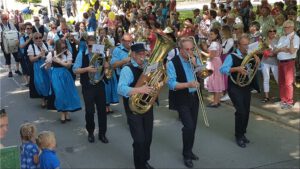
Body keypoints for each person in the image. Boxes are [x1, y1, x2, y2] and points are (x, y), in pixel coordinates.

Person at [118, 43, 155, 169]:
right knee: (139, 140)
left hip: (147, 107)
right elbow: (121, 88)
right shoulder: (127, 69)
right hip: (133, 110)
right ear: (133, 54)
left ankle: (144, 160)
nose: (143, 57)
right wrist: (140, 90)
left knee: (148, 138)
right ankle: (139, 165)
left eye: (144, 54)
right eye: (140, 54)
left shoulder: (147, 67)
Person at [220, 34, 259, 148]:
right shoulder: (232, 56)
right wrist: (236, 69)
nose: (247, 47)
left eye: (248, 44)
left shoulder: (250, 55)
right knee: (241, 111)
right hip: (235, 87)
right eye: (245, 45)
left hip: (246, 86)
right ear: (238, 45)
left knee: (246, 111)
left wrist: (256, 61)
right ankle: (238, 136)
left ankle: (242, 133)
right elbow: (222, 69)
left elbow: (253, 70)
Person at [167, 37, 201, 168]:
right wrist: (188, 84)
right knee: (189, 127)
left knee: (193, 126)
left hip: (195, 96)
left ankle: (189, 150)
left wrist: (197, 65)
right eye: (187, 50)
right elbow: (171, 84)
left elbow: (203, 74)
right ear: (180, 50)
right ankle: (186, 155)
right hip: (182, 98)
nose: (189, 52)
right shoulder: (172, 63)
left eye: (191, 49)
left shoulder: (195, 59)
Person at [73, 36, 109, 143]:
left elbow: (105, 66)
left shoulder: (100, 53)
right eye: (89, 46)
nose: (92, 48)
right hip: (88, 86)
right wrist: (87, 69)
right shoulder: (81, 54)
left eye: (94, 46)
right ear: (86, 45)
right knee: (89, 111)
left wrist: (106, 65)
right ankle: (90, 132)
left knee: (102, 111)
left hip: (99, 84)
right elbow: (75, 70)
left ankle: (102, 134)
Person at [48, 39, 81, 123]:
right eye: (62, 47)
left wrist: (59, 61)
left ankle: (66, 113)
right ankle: (63, 113)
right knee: (60, 94)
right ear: (58, 47)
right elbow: (47, 67)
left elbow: (68, 66)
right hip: (55, 75)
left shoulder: (68, 53)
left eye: (65, 46)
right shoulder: (52, 53)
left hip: (65, 74)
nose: (64, 48)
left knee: (67, 93)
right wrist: (49, 63)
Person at [274, 20, 300, 109]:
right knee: (281, 82)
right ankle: (283, 100)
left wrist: (290, 43)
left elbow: (292, 51)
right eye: (284, 27)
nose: (285, 29)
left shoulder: (296, 38)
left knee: (288, 83)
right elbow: (275, 50)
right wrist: (283, 49)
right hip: (281, 62)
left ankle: (289, 102)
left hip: (288, 62)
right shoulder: (282, 38)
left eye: (287, 27)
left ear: (292, 27)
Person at [0, 13, 22, 77]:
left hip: (13, 42)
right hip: (4, 44)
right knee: (7, 57)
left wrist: (19, 35)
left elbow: (16, 31)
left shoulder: (11, 24)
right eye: (4, 19)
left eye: (6, 18)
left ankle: (17, 69)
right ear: (1, 19)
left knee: (17, 56)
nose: (5, 20)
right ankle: (10, 71)